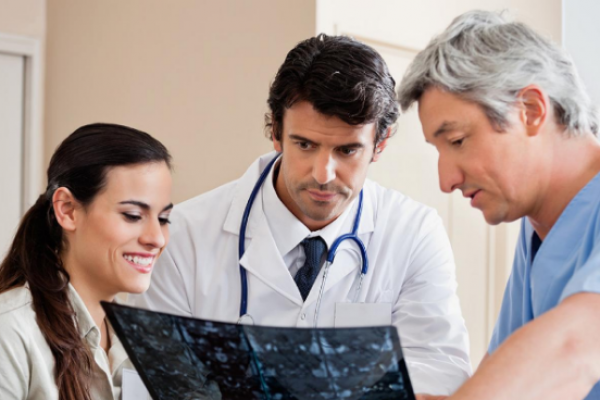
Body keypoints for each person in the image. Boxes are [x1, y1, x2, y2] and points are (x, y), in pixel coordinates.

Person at [131, 34, 472, 395]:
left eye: (347, 150)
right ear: (276, 132)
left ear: (380, 143)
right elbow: (156, 378)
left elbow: (440, 371)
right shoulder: (183, 235)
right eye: (305, 145)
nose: (323, 174)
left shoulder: (414, 233)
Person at [398, 9, 600, 400]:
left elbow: (574, 348)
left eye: (457, 141)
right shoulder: (538, 225)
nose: (446, 180)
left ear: (531, 111)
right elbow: (503, 379)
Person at [0, 123, 173, 400]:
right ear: (68, 210)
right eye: (132, 215)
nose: (157, 238)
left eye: (163, 219)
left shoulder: (143, 342)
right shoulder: (9, 330)